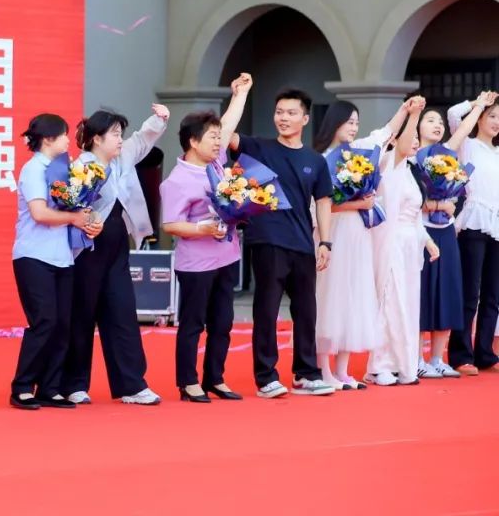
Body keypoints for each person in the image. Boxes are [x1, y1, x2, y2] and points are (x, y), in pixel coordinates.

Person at [226, 88, 336, 398]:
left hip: (302, 242)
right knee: (267, 309)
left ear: (305, 118)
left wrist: (325, 242)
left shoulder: (315, 161)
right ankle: (266, 377)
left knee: (306, 311)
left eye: (290, 113)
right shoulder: (257, 147)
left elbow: (323, 201)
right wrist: (240, 96)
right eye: (279, 112)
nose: (283, 118)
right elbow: (224, 135)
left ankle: (306, 373)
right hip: (267, 240)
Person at [60, 103, 169, 407]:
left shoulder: (123, 157)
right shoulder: (80, 166)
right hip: (86, 249)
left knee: (122, 311)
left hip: (117, 246)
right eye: (115, 134)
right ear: (97, 138)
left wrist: (159, 119)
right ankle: (73, 384)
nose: (121, 139)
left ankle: (131, 384)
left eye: (121, 134)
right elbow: (69, 205)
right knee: (81, 314)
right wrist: (85, 219)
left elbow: (143, 139)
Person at [161, 73, 251, 403]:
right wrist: (202, 229)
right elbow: (171, 224)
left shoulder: (215, 165)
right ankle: (188, 381)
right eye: (211, 138)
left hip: (226, 256)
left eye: (217, 137)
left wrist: (240, 95)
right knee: (193, 323)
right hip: (197, 263)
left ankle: (216, 378)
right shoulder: (177, 180)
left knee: (222, 322)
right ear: (192, 142)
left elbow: (228, 124)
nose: (218, 142)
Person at [311, 99, 411, 389]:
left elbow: (384, 134)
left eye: (356, 122)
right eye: (349, 122)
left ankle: (342, 370)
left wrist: (405, 111)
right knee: (329, 297)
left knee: (354, 296)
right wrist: (356, 203)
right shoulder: (321, 159)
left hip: (357, 233)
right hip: (332, 233)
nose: (354, 127)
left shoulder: (358, 153)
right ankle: (323, 369)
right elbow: (319, 206)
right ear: (335, 122)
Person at [10, 114, 101, 410]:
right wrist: (74, 218)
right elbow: (39, 213)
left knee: (63, 324)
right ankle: (23, 386)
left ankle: (50, 387)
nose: (67, 140)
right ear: (48, 139)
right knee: (44, 321)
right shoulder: (34, 169)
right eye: (63, 135)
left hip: (63, 257)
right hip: (33, 255)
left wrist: (89, 220)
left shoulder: (65, 170)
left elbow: (79, 208)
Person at [415, 93, 495, 378]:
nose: (437, 125)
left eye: (438, 122)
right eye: (430, 120)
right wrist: (478, 104)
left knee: (449, 291)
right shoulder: (414, 158)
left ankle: (439, 358)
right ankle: (419, 358)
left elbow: (457, 132)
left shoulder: (448, 154)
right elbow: (409, 200)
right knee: (426, 293)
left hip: (448, 229)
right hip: (422, 230)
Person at [366, 97, 439, 385]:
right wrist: (413, 114)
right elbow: (404, 145)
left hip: (411, 244)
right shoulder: (389, 165)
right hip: (391, 240)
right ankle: (379, 366)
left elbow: (416, 217)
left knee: (407, 303)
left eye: (417, 138)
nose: (415, 142)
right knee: (390, 300)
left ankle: (403, 364)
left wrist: (428, 242)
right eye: (411, 137)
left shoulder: (412, 173)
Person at [447, 92, 499, 375]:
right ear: (479, 119)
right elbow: (453, 115)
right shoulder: (467, 145)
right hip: (474, 222)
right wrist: (478, 103)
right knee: (470, 291)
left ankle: (485, 353)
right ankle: (461, 354)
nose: (496, 122)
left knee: (493, 294)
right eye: (492, 116)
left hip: (497, 224)